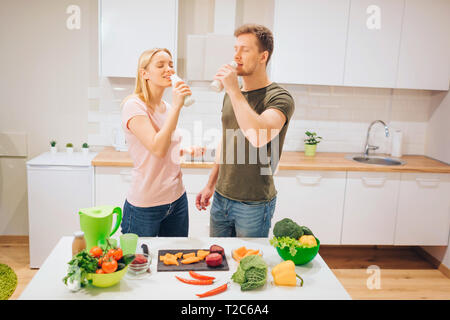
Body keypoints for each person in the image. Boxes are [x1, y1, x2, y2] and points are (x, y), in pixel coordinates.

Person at [195, 24, 295, 237]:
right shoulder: (233, 94)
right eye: (235, 49)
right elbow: (227, 139)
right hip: (221, 199)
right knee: (219, 261)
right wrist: (210, 184)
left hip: (254, 204)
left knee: (248, 264)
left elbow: (258, 137)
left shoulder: (279, 98)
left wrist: (232, 88)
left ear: (263, 56)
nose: (236, 55)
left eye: (245, 49)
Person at [120, 48, 204, 237]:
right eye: (160, 65)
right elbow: (157, 148)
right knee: (138, 263)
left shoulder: (165, 107)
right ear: (145, 73)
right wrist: (177, 106)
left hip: (176, 199)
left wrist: (185, 150)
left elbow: (165, 146)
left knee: (174, 261)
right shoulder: (134, 106)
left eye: (171, 65)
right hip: (146, 204)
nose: (169, 69)